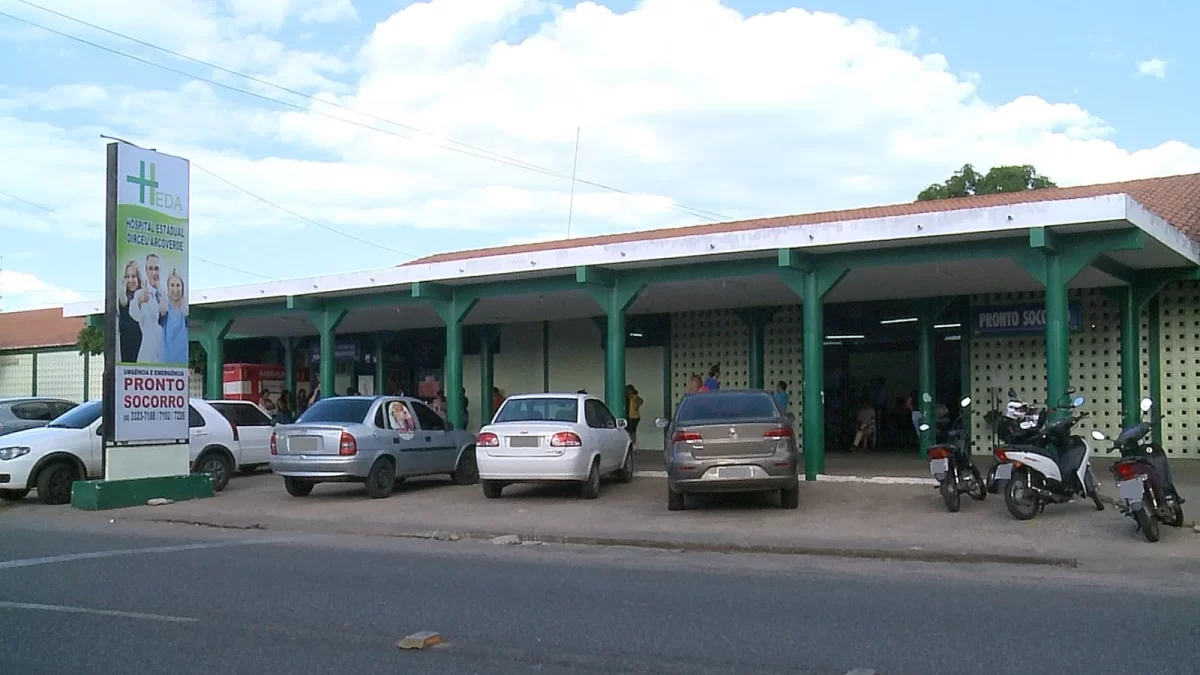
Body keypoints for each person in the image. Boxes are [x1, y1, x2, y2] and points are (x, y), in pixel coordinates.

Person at [129, 254, 165, 363]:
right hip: (148, 355)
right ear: (146, 270)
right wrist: (140, 301)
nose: (154, 273)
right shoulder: (141, 293)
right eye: (150, 269)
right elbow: (134, 313)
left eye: (156, 269)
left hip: (166, 355)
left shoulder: (166, 294)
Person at [116, 260, 143, 363]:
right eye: (127, 276)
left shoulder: (143, 296)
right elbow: (123, 302)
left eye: (133, 276)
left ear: (138, 278)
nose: (130, 280)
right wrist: (122, 288)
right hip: (127, 347)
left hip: (143, 345)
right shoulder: (123, 298)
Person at [160, 269, 189, 365]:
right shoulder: (164, 308)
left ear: (182, 287)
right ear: (168, 288)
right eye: (172, 285)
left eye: (178, 285)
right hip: (166, 362)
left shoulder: (186, 309)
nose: (175, 289)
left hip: (183, 362)